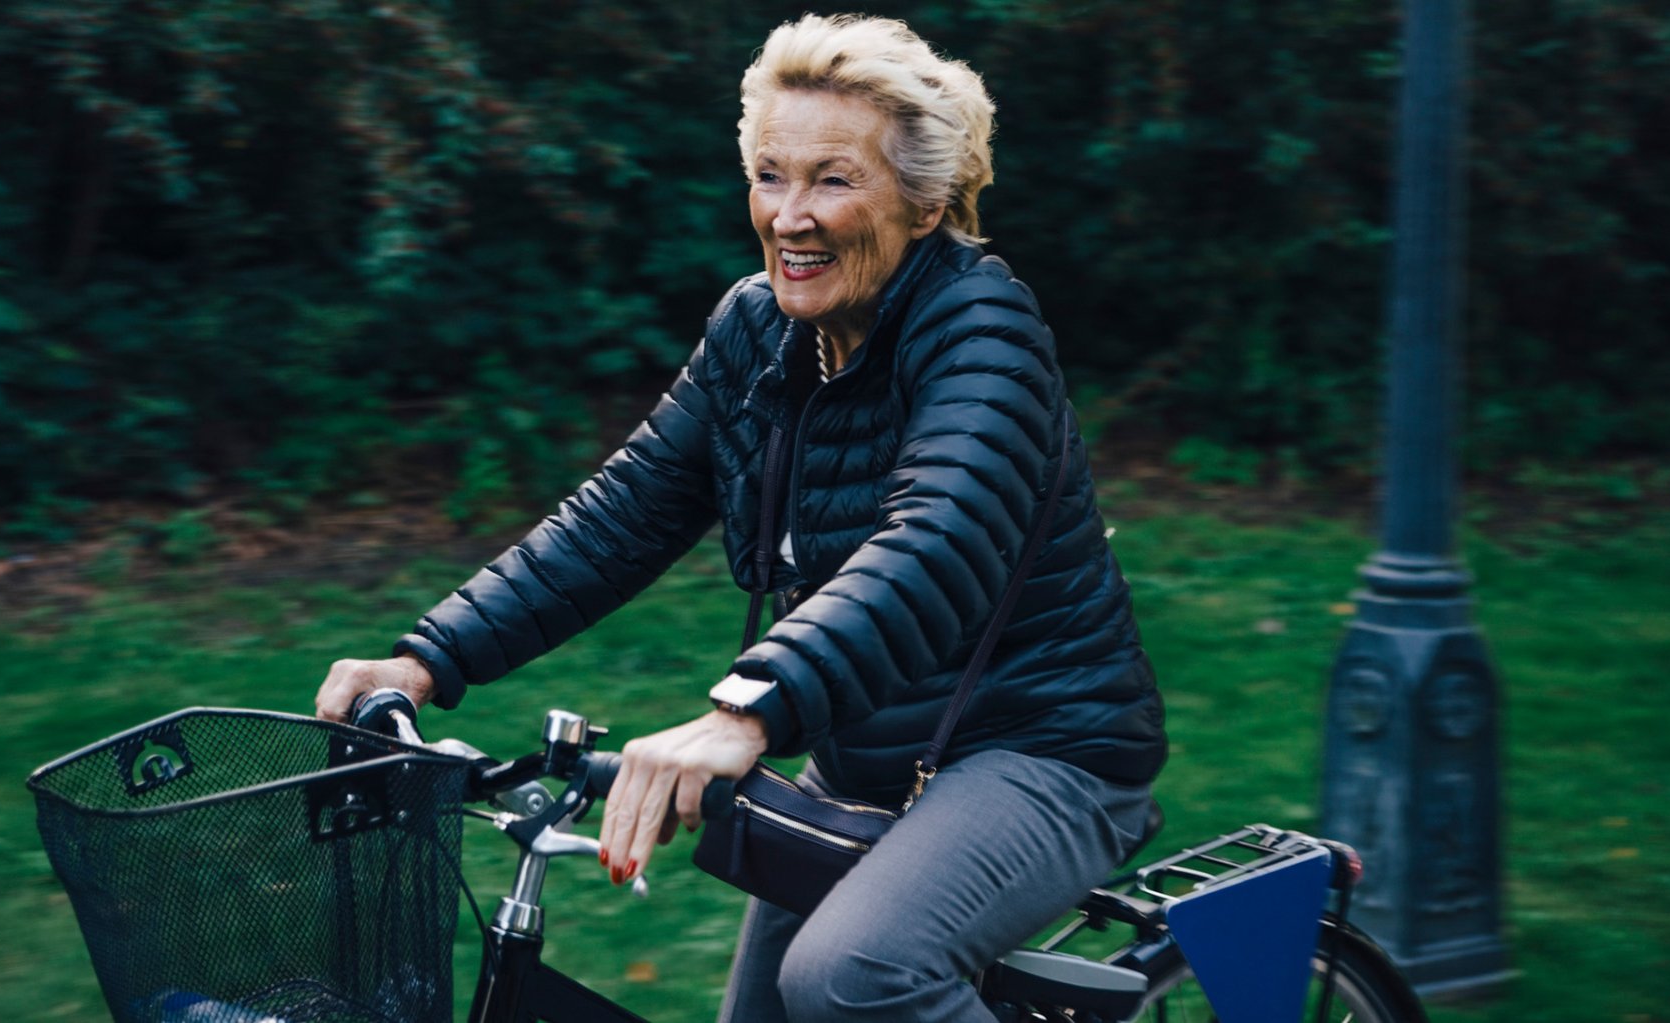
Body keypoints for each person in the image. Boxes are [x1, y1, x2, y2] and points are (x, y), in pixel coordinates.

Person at [316, 14, 1166, 1022]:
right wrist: (426, 659)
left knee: (852, 980)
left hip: (1043, 754)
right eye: (772, 175)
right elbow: (619, 519)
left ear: (926, 204)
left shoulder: (981, 331)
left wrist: (746, 713)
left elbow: (934, 545)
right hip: (869, 755)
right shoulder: (758, 330)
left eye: (834, 180)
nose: (791, 216)